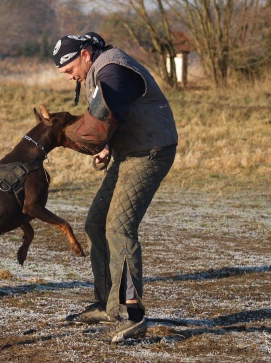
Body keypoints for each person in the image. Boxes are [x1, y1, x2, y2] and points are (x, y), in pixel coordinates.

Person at [52, 32, 178, 343]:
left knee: (119, 229)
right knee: (96, 223)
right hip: (128, 151)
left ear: (84, 54)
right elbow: (112, 118)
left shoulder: (112, 71)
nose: (70, 79)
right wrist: (106, 149)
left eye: (69, 71)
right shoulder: (100, 72)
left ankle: (132, 314)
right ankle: (108, 306)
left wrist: (65, 136)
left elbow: (99, 121)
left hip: (150, 151)